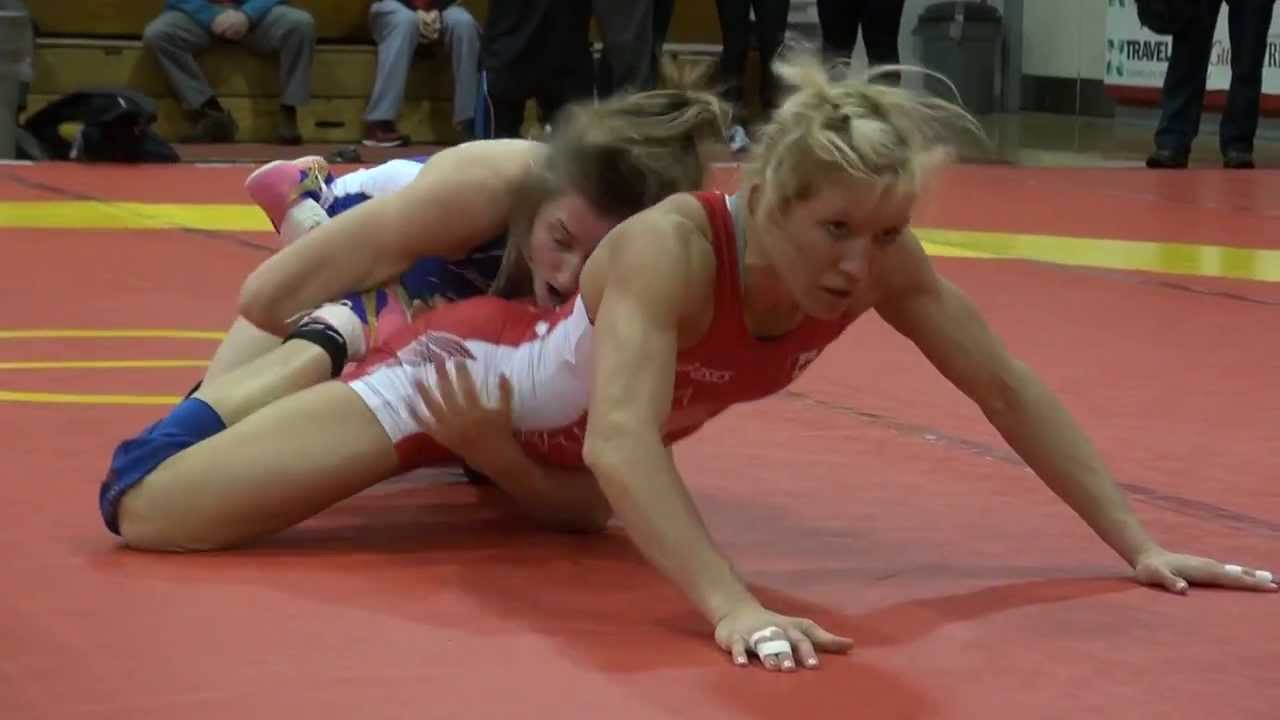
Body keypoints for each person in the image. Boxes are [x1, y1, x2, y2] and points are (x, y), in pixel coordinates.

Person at [101, 56, 1276, 676]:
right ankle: (344, 335)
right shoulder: (671, 245)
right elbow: (621, 438)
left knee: (574, 512)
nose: (857, 269)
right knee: (149, 510)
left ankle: (396, 379)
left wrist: (1133, 540)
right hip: (465, 379)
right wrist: (731, 606)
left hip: (545, 464)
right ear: (767, 202)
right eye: (834, 235)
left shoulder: (882, 260)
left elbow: (1003, 384)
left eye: (879, 237)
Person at [202, 83, 732, 383]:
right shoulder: (481, 191)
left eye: (601, 253)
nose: (571, 275)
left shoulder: (669, 246)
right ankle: (310, 202)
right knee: (208, 431)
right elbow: (265, 299)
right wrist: (379, 335)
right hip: (396, 220)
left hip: (466, 260)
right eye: (562, 240)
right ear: (536, 201)